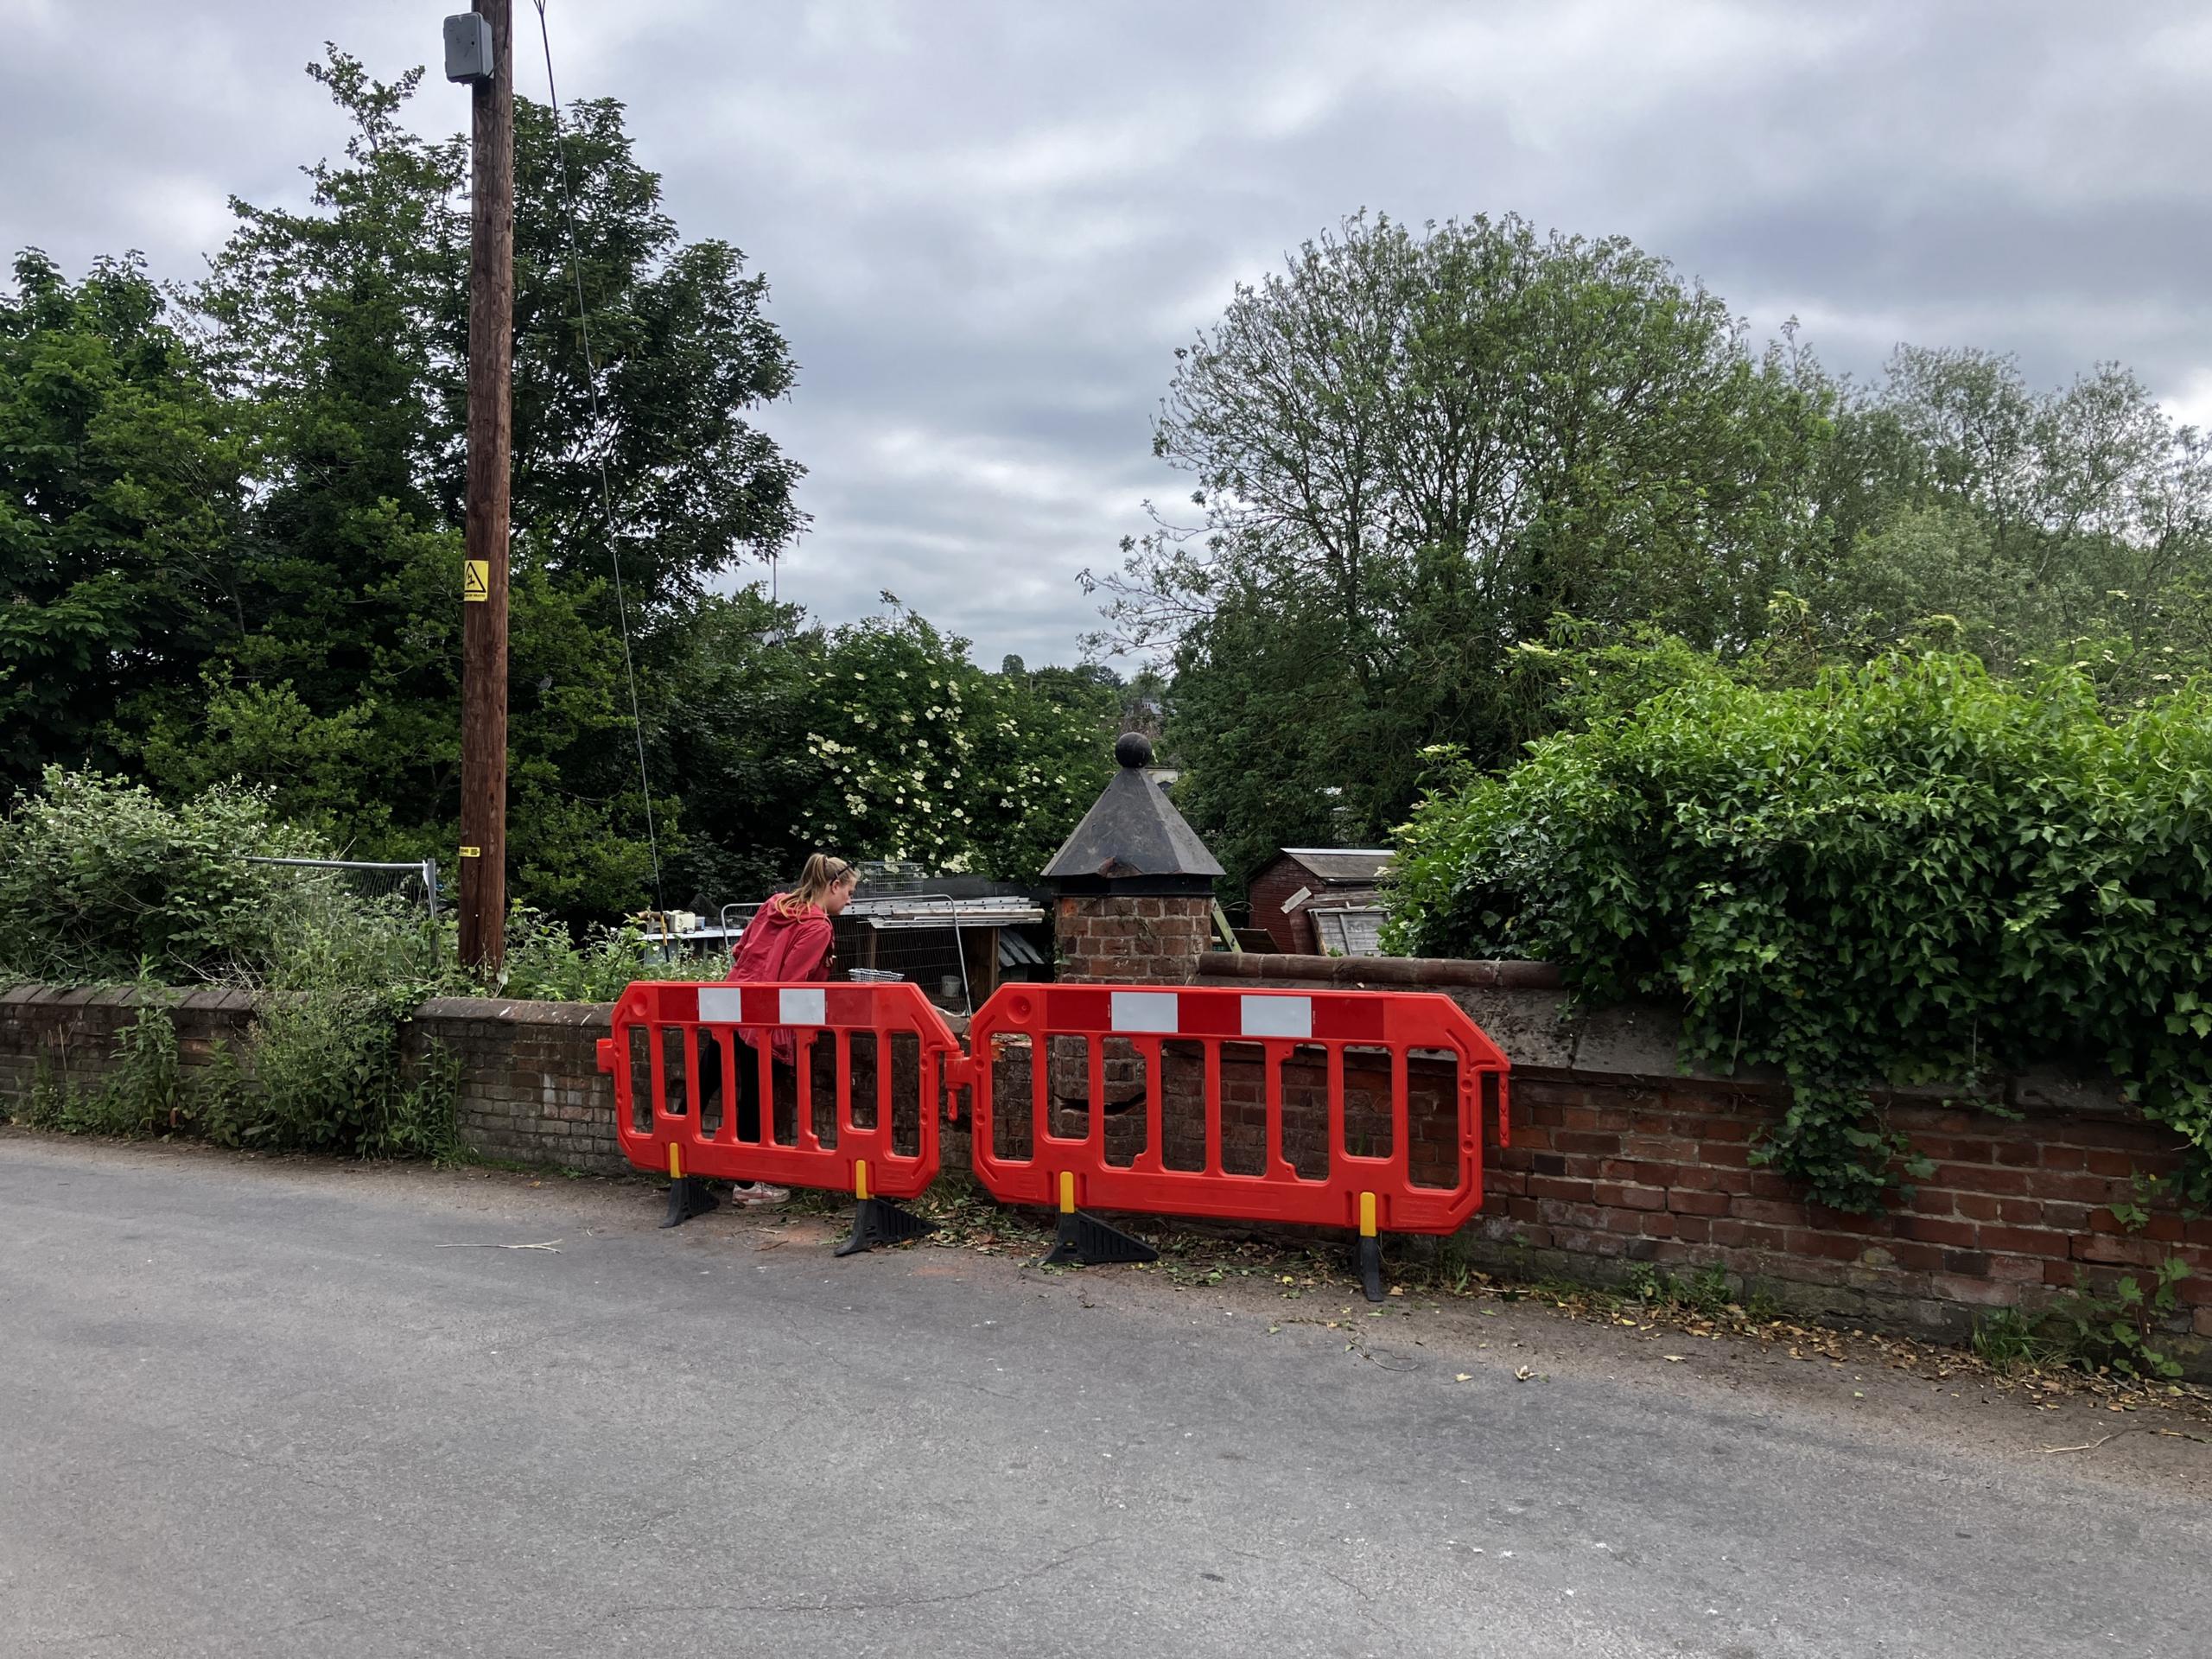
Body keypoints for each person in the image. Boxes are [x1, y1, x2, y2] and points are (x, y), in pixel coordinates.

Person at [706, 854, 860, 1205]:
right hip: (766, 1023)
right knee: (755, 1100)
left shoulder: (775, 904)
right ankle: (747, 1187)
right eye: (849, 892)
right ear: (833, 886)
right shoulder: (818, 926)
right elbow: (793, 983)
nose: (850, 901)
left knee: (706, 1081)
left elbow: (740, 950)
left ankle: (677, 1165)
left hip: (731, 1006)